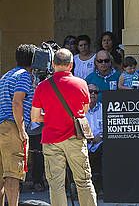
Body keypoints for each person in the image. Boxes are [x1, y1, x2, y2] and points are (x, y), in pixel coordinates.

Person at [30, 48, 97, 206]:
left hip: (51, 140)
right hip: (75, 138)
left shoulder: (42, 87)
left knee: (56, 185)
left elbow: (35, 117)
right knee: (84, 181)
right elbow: (84, 110)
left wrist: (51, 117)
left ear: (53, 64)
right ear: (71, 64)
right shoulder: (81, 83)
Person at [0, 44, 36, 206]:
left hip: (2, 125)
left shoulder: (6, 75)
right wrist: (21, 130)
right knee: (13, 174)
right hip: (11, 126)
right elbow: (17, 102)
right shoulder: (24, 76)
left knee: (2, 175)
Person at [85, 84, 103, 193]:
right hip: (83, 144)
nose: (92, 94)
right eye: (90, 91)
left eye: (95, 92)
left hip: (100, 143)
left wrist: (100, 137)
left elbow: (109, 127)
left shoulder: (103, 108)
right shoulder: (79, 110)